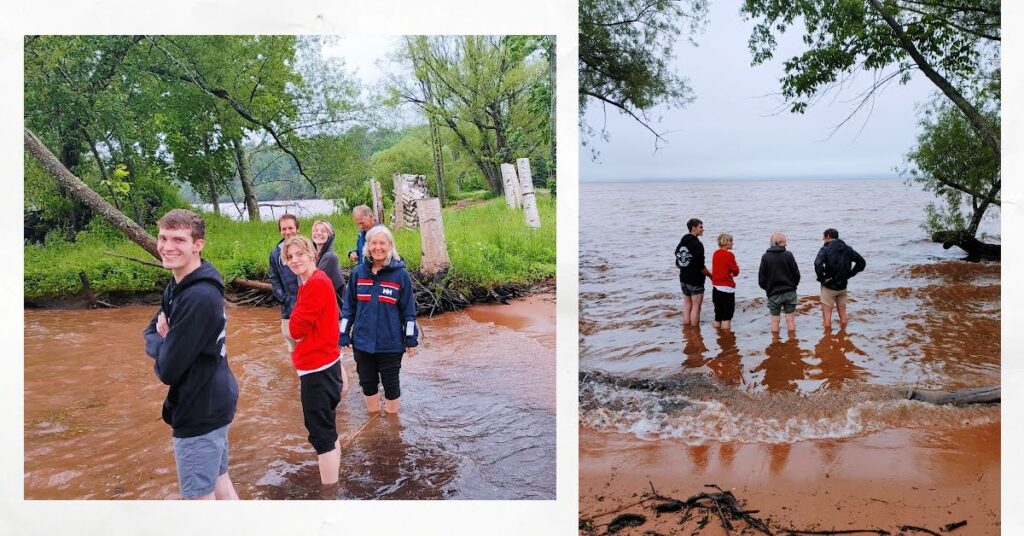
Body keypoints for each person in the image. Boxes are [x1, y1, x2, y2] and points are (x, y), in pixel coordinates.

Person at [143, 209, 239, 500]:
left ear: (197, 245)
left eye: (179, 240)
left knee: (198, 501)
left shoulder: (198, 296)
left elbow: (168, 371)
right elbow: (149, 330)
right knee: (220, 484)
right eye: (163, 238)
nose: (167, 246)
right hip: (214, 396)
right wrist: (166, 341)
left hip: (201, 406)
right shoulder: (178, 284)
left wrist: (166, 340)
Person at [283, 235, 343, 485]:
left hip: (318, 370)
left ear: (311, 254)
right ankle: (336, 481)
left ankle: (329, 495)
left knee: (321, 436)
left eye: (299, 254)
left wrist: (291, 326)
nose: (295, 260)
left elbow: (295, 329)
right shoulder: (310, 282)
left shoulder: (316, 283)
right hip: (325, 364)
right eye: (290, 257)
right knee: (328, 428)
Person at [340, 225, 419, 414]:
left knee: (391, 384)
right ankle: (373, 420)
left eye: (382, 243)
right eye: (373, 243)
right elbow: (348, 308)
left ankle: (393, 427)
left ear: (390, 245)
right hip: (362, 343)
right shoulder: (358, 273)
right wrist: (343, 333)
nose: (378, 247)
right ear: (367, 246)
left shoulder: (400, 275)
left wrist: (411, 339)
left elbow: (408, 312)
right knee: (367, 383)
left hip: (390, 343)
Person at [311, 219, 350, 393]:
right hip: (324, 316)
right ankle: (334, 392)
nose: (318, 233)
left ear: (330, 235)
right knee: (329, 358)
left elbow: (313, 284)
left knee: (335, 359)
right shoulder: (316, 257)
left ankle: (343, 394)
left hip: (333, 315)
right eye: (316, 230)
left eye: (323, 231)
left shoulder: (330, 257)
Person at [813, 228, 866, 330]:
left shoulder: (825, 249)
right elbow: (861, 262)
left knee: (827, 317)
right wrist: (850, 274)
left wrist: (822, 278)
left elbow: (817, 263)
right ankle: (843, 336)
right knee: (843, 315)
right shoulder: (847, 248)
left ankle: (827, 340)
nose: (823, 239)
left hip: (829, 287)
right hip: (843, 286)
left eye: (823, 237)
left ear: (828, 236)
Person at [757, 232, 801, 333]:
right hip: (790, 292)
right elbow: (797, 274)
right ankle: (792, 342)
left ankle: (775, 343)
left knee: (775, 321)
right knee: (790, 319)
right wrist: (793, 285)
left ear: (773, 243)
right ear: (784, 243)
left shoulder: (765, 257)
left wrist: (768, 288)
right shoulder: (788, 255)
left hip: (773, 293)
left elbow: (761, 279)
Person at [269, 214, 300, 352]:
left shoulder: (307, 247)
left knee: (310, 346)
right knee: (292, 348)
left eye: (291, 228)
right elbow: (274, 279)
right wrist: (284, 299)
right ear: (280, 231)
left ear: (297, 228)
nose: (288, 232)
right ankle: (296, 374)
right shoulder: (275, 254)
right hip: (288, 309)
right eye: (284, 229)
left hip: (308, 305)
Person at [674, 218, 712, 327]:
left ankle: (686, 331)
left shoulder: (682, 242)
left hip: (683, 279)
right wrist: (710, 275)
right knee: (696, 308)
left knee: (687, 306)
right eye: (701, 227)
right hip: (695, 280)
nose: (703, 230)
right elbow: (701, 266)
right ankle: (695, 333)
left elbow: (677, 260)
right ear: (693, 228)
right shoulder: (697, 244)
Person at [710, 233, 740, 330]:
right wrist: (733, 273)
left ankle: (718, 336)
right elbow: (735, 270)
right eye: (731, 241)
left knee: (718, 315)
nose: (732, 244)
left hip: (716, 288)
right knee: (727, 316)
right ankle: (727, 341)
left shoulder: (715, 254)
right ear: (726, 243)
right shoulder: (729, 255)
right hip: (727, 289)